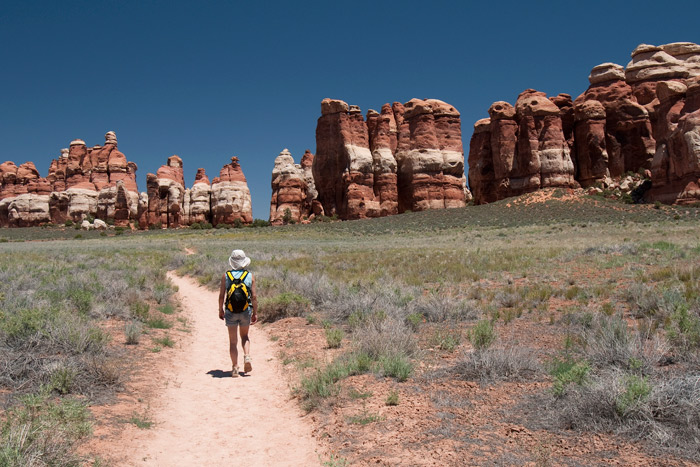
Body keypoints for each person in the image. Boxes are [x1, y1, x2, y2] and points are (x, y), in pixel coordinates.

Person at [218, 249, 258, 377]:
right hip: (245, 310)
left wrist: (220, 310)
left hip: (230, 311)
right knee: (245, 336)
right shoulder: (250, 276)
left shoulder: (226, 276)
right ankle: (247, 356)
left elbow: (221, 295)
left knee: (233, 341)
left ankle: (235, 368)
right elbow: (254, 297)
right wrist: (255, 313)